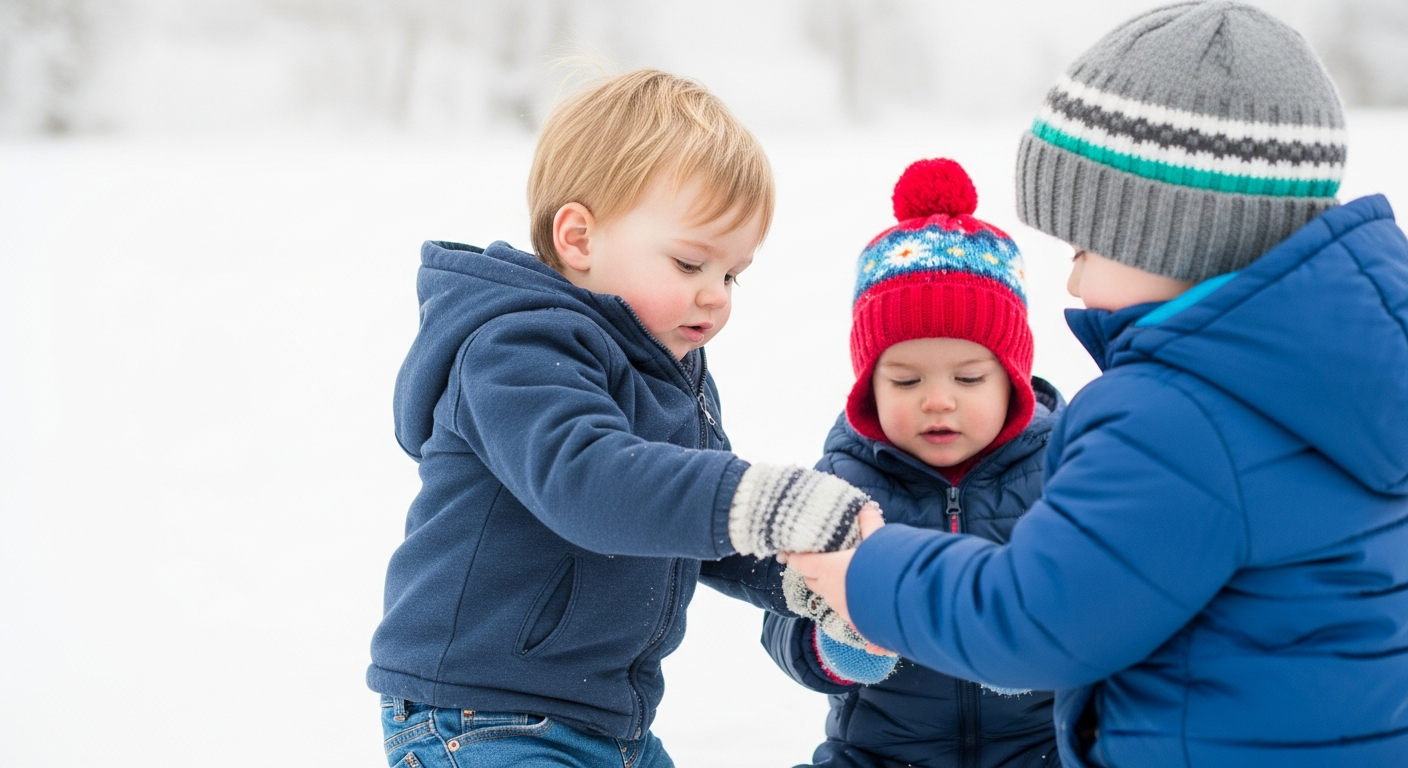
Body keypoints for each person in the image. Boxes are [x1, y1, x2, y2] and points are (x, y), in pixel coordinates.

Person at [786, 3, 1408, 766]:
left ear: (1174, 231)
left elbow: (1035, 617)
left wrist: (867, 572)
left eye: (1084, 245)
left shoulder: (1179, 413)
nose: (1073, 277)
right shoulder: (1334, 379)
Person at [369, 69, 872, 768]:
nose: (716, 296)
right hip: (485, 718)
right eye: (690, 262)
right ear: (578, 238)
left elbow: (688, 526)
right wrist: (776, 503)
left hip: (606, 726)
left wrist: (808, 585)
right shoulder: (514, 350)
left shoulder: (666, 365)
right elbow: (594, 485)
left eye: (731, 274)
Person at [761, 158, 1064, 767]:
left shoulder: (1061, 474)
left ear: (1013, 380)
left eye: (969, 376)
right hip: (879, 754)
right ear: (869, 386)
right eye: (904, 379)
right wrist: (836, 643)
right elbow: (782, 610)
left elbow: (1115, 601)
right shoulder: (844, 483)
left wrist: (1042, 645)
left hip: (1041, 752)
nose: (938, 399)